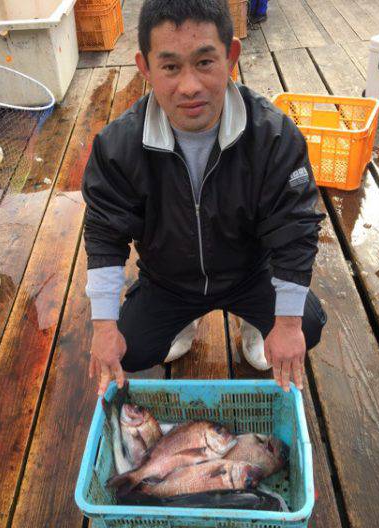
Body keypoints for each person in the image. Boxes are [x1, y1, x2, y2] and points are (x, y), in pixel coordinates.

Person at [83, 0, 327, 397]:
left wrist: (285, 324)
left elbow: (295, 229)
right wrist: (103, 327)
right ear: (144, 67)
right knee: (129, 349)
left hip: (249, 273)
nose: (190, 86)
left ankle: (255, 322)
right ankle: (183, 320)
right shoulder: (116, 146)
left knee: (306, 325)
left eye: (204, 62)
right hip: (168, 281)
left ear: (231, 57)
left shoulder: (274, 136)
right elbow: (103, 235)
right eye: (170, 66)